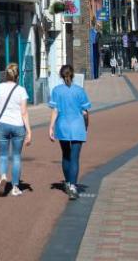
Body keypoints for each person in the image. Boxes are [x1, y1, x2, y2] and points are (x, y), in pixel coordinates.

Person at [0, 63, 32, 197]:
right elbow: (24, 112)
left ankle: (3, 177)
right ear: (17, 76)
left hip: (2, 125)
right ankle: (15, 187)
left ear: (5, 75)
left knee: (3, 154)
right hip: (18, 126)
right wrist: (29, 131)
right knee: (16, 156)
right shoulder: (21, 90)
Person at [49, 64, 91, 201]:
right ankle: (73, 186)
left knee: (65, 155)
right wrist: (86, 126)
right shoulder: (79, 91)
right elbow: (85, 112)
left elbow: (54, 110)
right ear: (72, 75)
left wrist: (50, 127)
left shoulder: (56, 90)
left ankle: (67, 182)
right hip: (77, 126)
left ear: (61, 76)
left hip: (62, 126)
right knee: (75, 158)